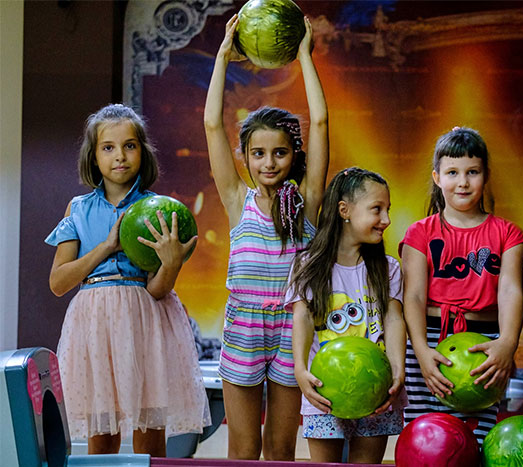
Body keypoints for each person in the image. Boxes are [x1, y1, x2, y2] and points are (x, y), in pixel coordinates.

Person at [45, 104, 210, 456]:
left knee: (149, 435)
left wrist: (171, 264)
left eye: (130, 146)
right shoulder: (77, 209)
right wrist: (106, 247)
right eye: (108, 147)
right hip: (94, 326)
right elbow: (59, 282)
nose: (120, 156)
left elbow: (157, 289)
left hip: (145, 323)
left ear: (142, 152)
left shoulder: (158, 209)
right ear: (93, 157)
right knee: (101, 436)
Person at [203, 13, 329, 461]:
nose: (269, 162)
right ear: (247, 158)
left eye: (279, 152)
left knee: (279, 449)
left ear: (294, 155)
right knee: (243, 447)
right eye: (258, 153)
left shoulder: (308, 202)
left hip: (294, 329)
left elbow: (320, 122)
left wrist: (303, 56)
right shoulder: (239, 201)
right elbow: (214, 127)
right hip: (244, 326)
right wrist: (222, 56)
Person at [400, 126, 523, 444]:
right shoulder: (420, 233)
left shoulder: (508, 234)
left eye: (472, 172)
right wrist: (420, 351)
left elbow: (511, 291)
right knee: (424, 438)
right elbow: (413, 295)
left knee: (476, 439)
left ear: (485, 175)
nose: (463, 182)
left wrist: (507, 344)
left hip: (485, 345)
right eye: (453, 172)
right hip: (427, 343)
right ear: (436, 177)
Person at [286, 167, 406, 464]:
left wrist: (397, 370)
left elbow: (393, 320)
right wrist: (301, 371)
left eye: (387, 210)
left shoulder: (387, 267)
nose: (386, 220)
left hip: (377, 394)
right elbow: (301, 318)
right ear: (345, 210)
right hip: (324, 393)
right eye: (377, 209)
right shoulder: (308, 264)